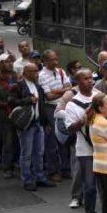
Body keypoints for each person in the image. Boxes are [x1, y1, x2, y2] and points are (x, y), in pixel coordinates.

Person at [65, 69, 103, 213]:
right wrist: (84, 119)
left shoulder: (99, 96)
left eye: (91, 78)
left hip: (103, 147)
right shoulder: (72, 104)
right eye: (86, 79)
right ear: (78, 82)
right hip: (85, 150)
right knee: (89, 185)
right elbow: (70, 128)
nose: (90, 81)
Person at [13, 62, 56, 190]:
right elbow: (11, 101)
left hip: (38, 122)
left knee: (39, 151)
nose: (37, 74)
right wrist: (27, 100)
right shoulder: (19, 85)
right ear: (26, 72)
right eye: (34, 71)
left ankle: (39, 177)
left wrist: (46, 122)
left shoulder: (37, 86)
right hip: (26, 124)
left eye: (37, 71)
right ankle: (27, 179)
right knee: (26, 153)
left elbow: (41, 105)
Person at [38, 50, 73, 181]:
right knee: (52, 140)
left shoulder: (61, 72)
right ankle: (52, 171)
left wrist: (58, 91)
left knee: (64, 137)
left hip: (63, 106)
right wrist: (63, 91)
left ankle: (65, 169)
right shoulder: (41, 75)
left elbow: (69, 87)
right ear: (45, 61)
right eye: (52, 59)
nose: (55, 62)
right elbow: (49, 96)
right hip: (50, 108)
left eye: (56, 59)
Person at [0, 53, 19, 178]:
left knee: (12, 141)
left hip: (16, 112)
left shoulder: (16, 77)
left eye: (11, 61)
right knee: (0, 140)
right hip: (1, 115)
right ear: (0, 64)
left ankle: (10, 165)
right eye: (7, 62)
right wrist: (5, 104)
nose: (10, 63)